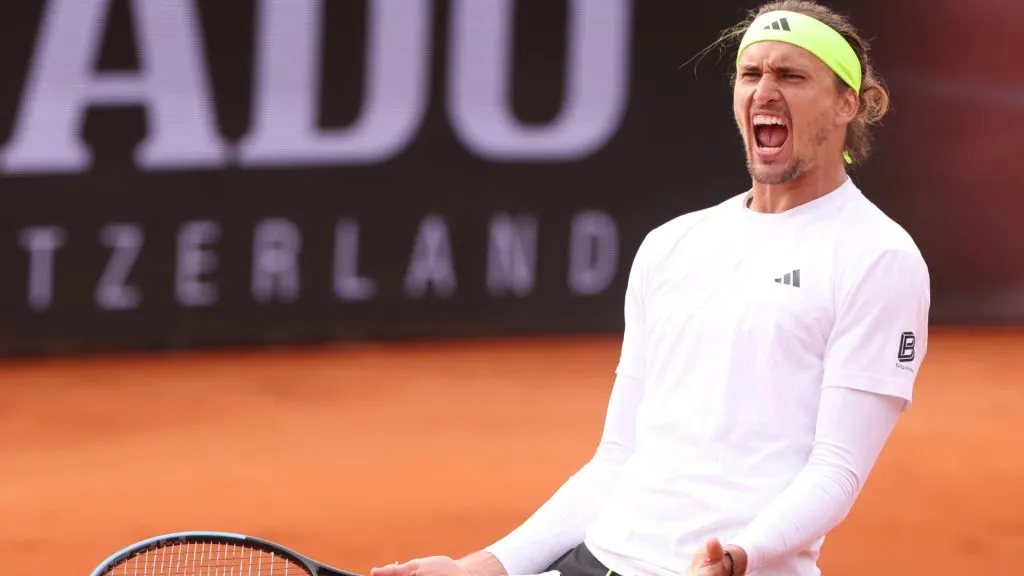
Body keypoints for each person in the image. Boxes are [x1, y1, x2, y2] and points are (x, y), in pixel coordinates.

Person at [371, 1, 930, 575]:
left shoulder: (878, 258)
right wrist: (482, 567)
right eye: (750, 73)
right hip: (597, 561)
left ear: (847, 104)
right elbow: (618, 458)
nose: (764, 90)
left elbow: (836, 469)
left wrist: (740, 557)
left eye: (790, 75)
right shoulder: (671, 245)